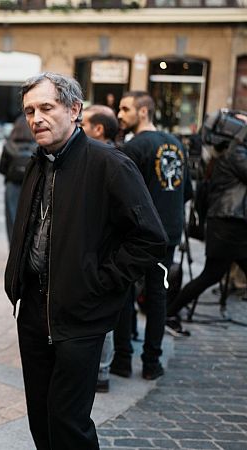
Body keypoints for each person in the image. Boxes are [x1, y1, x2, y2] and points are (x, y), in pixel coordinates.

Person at [4, 72, 167, 449]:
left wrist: (99, 281)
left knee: (69, 423)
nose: (36, 119)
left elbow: (150, 238)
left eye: (47, 108)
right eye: (30, 110)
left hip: (81, 314)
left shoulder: (109, 164)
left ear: (74, 109)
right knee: (41, 418)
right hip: (33, 311)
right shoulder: (38, 161)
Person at [116, 90, 189, 380]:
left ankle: (123, 360)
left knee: (125, 293)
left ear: (143, 111)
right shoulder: (176, 144)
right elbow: (185, 191)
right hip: (167, 232)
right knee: (158, 296)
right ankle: (151, 363)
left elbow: (121, 194)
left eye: (125, 109)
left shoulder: (133, 147)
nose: (120, 115)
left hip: (138, 233)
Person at [166, 114, 247, 337]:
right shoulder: (236, 153)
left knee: (211, 275)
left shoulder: (228, 153)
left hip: (227, 223)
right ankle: (168, 312)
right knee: (210, 275)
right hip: (229, 224)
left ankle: (168, 312)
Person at [80, 104, 120, 394]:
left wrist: (112, 272)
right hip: (92, 255)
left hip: (104, 256)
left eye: (83, 124)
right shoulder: (85, 156)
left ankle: (102, 372)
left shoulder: (113, 161)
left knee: (102, 319)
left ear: (98, 129)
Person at [0, 115, 37, 243]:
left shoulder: (9, 146)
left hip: (12, 185)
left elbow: (1, 168)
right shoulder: (38, 147)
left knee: (12, 219)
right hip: (32, 186)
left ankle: (13, 248)